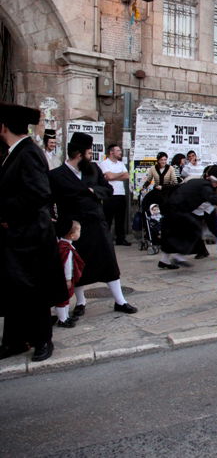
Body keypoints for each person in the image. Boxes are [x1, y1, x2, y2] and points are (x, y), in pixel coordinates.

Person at [0, 104, 67, 363]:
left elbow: (39, 193)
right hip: (19, 235)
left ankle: (42, 340)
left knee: (33, 289)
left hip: (31, 236)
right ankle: (15, 340)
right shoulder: (15, 152)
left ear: (4, 126)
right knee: (15, 290)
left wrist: (7, 213)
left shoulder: (28, 152)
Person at [48, 132, 138, 317]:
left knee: (109, 262)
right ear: (79, 154)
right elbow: (49, 201)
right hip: (74, 228)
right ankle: (81, 302)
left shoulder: (93, 169)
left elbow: (108, 189)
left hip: (97, 224)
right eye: (89, 153)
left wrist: (93, 190)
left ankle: (120, 301)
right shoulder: (56, 175)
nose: (91, 156)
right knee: (77, 266)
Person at [160, 165, 217, 268]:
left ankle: (164, 260)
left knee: (172, 234)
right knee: (193, 229)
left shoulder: (195, 181)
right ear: (215, 182)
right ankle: (178, 256)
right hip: (179, 210)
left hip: (170, 208)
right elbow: (212, 198)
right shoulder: (206, 186)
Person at [98, 143, 131, 246]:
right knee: (108, 218)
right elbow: (109, 176)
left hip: (121, 193)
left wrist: (113, 176)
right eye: (118, 151)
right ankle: (106, 239)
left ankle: (120, 239)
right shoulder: (104, 163)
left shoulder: (121, 164)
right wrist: (119, 174)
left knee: (120, 218)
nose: (120, 152)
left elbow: (127, 176)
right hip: (109, 194)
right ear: (111, 152)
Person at [54, 218, 83, 328]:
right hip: (64, 279)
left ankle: (66, 317)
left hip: (62, 278)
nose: (80, 233)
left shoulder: (61, 244)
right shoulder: (66, 249)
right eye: (79, 231)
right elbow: (67, 266)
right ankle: (62, 320)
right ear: (72, 236)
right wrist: (68, 279)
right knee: (63, 299)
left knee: (66, 298)